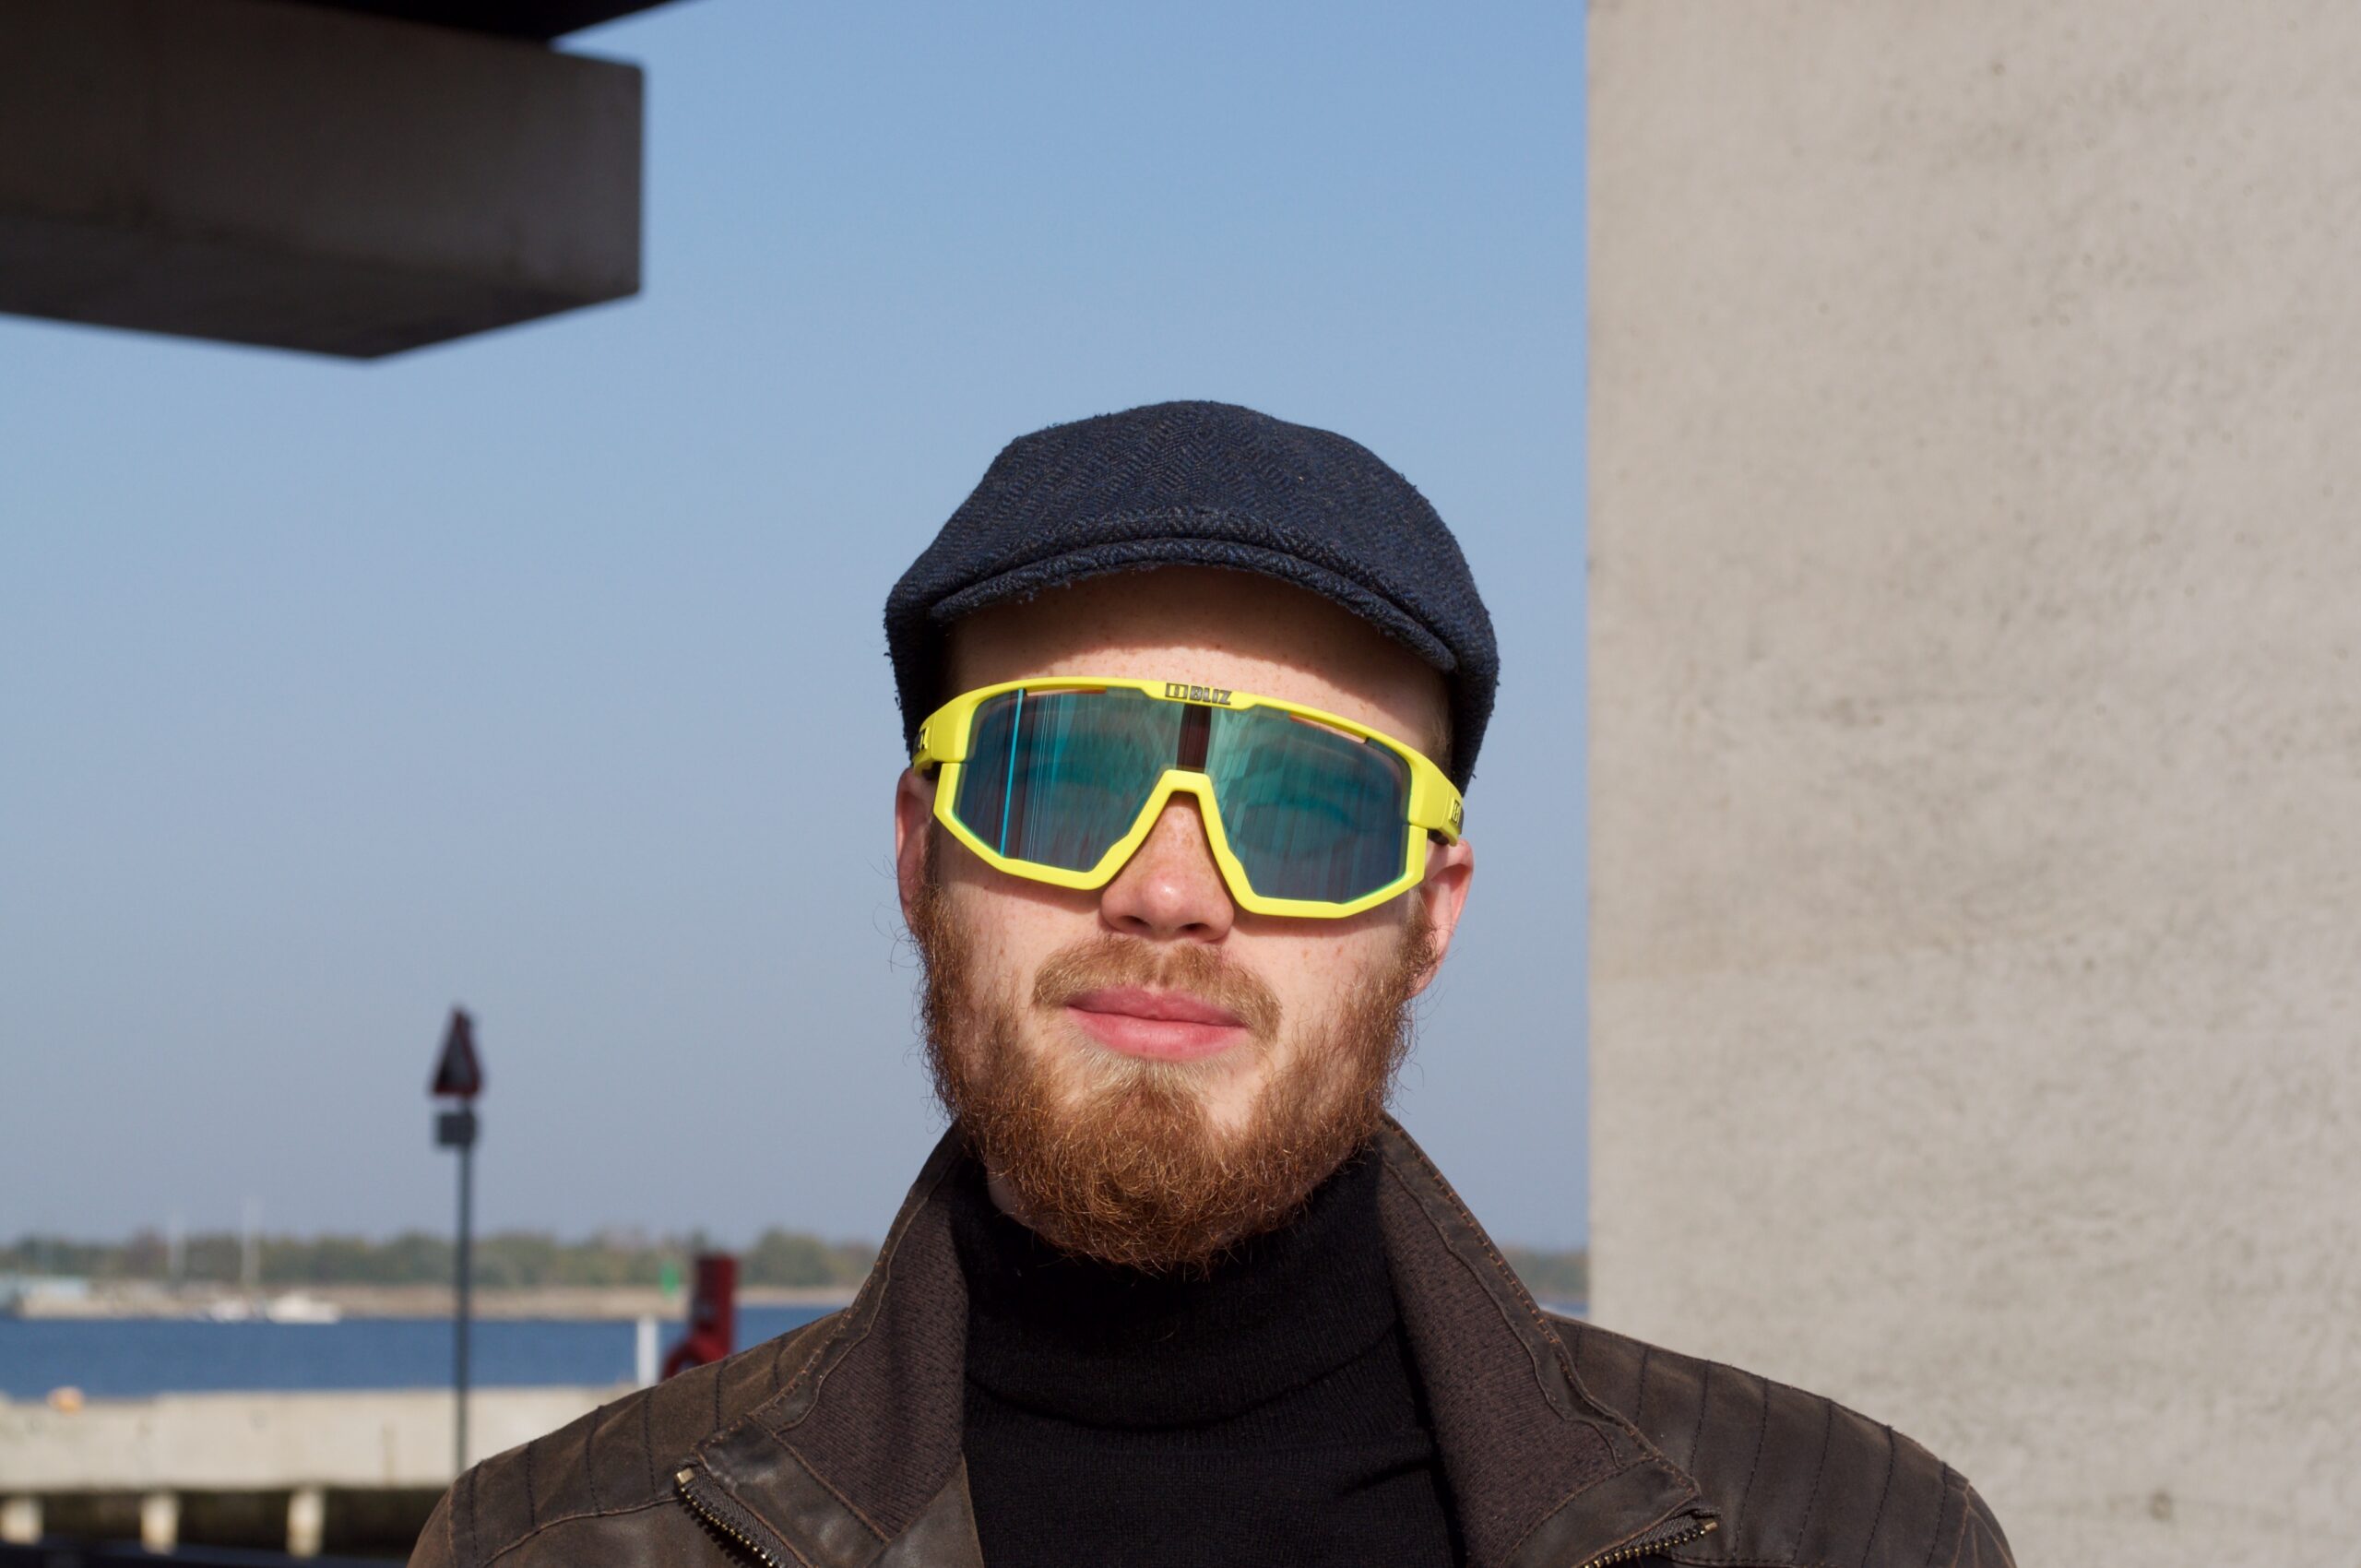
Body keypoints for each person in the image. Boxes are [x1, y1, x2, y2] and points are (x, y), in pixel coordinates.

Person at [409, 402, 2013, 1568]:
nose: (1170, 891)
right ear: (919, 851)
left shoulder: (1855, 1536)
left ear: (1432, 914)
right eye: (1056, 776)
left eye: (1313, 811)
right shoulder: (547, 1547)